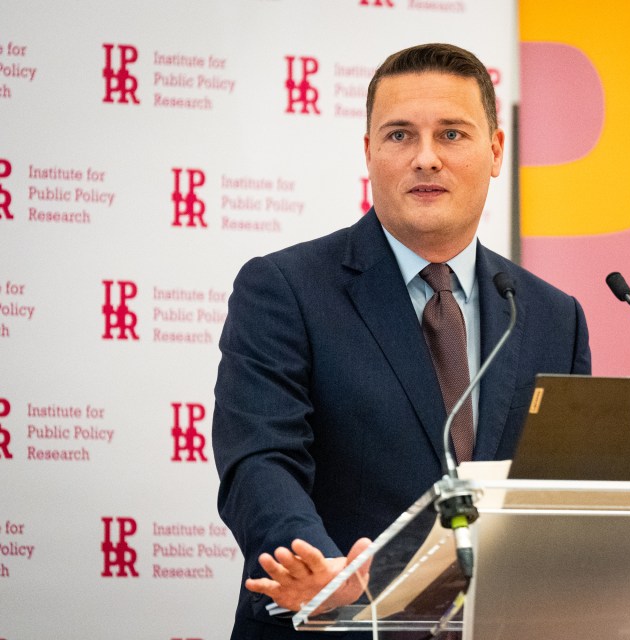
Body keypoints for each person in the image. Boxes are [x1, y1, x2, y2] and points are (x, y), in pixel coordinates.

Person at [213, 42, 591, 639]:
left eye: (452, 134)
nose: (425, 159)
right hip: (335, 622)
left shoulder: (551, 315)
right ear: (368, 153)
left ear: (495, 151)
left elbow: (563, 492)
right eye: (398, 136)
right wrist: (317, 563)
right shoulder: (285, 288)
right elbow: (259, 459)